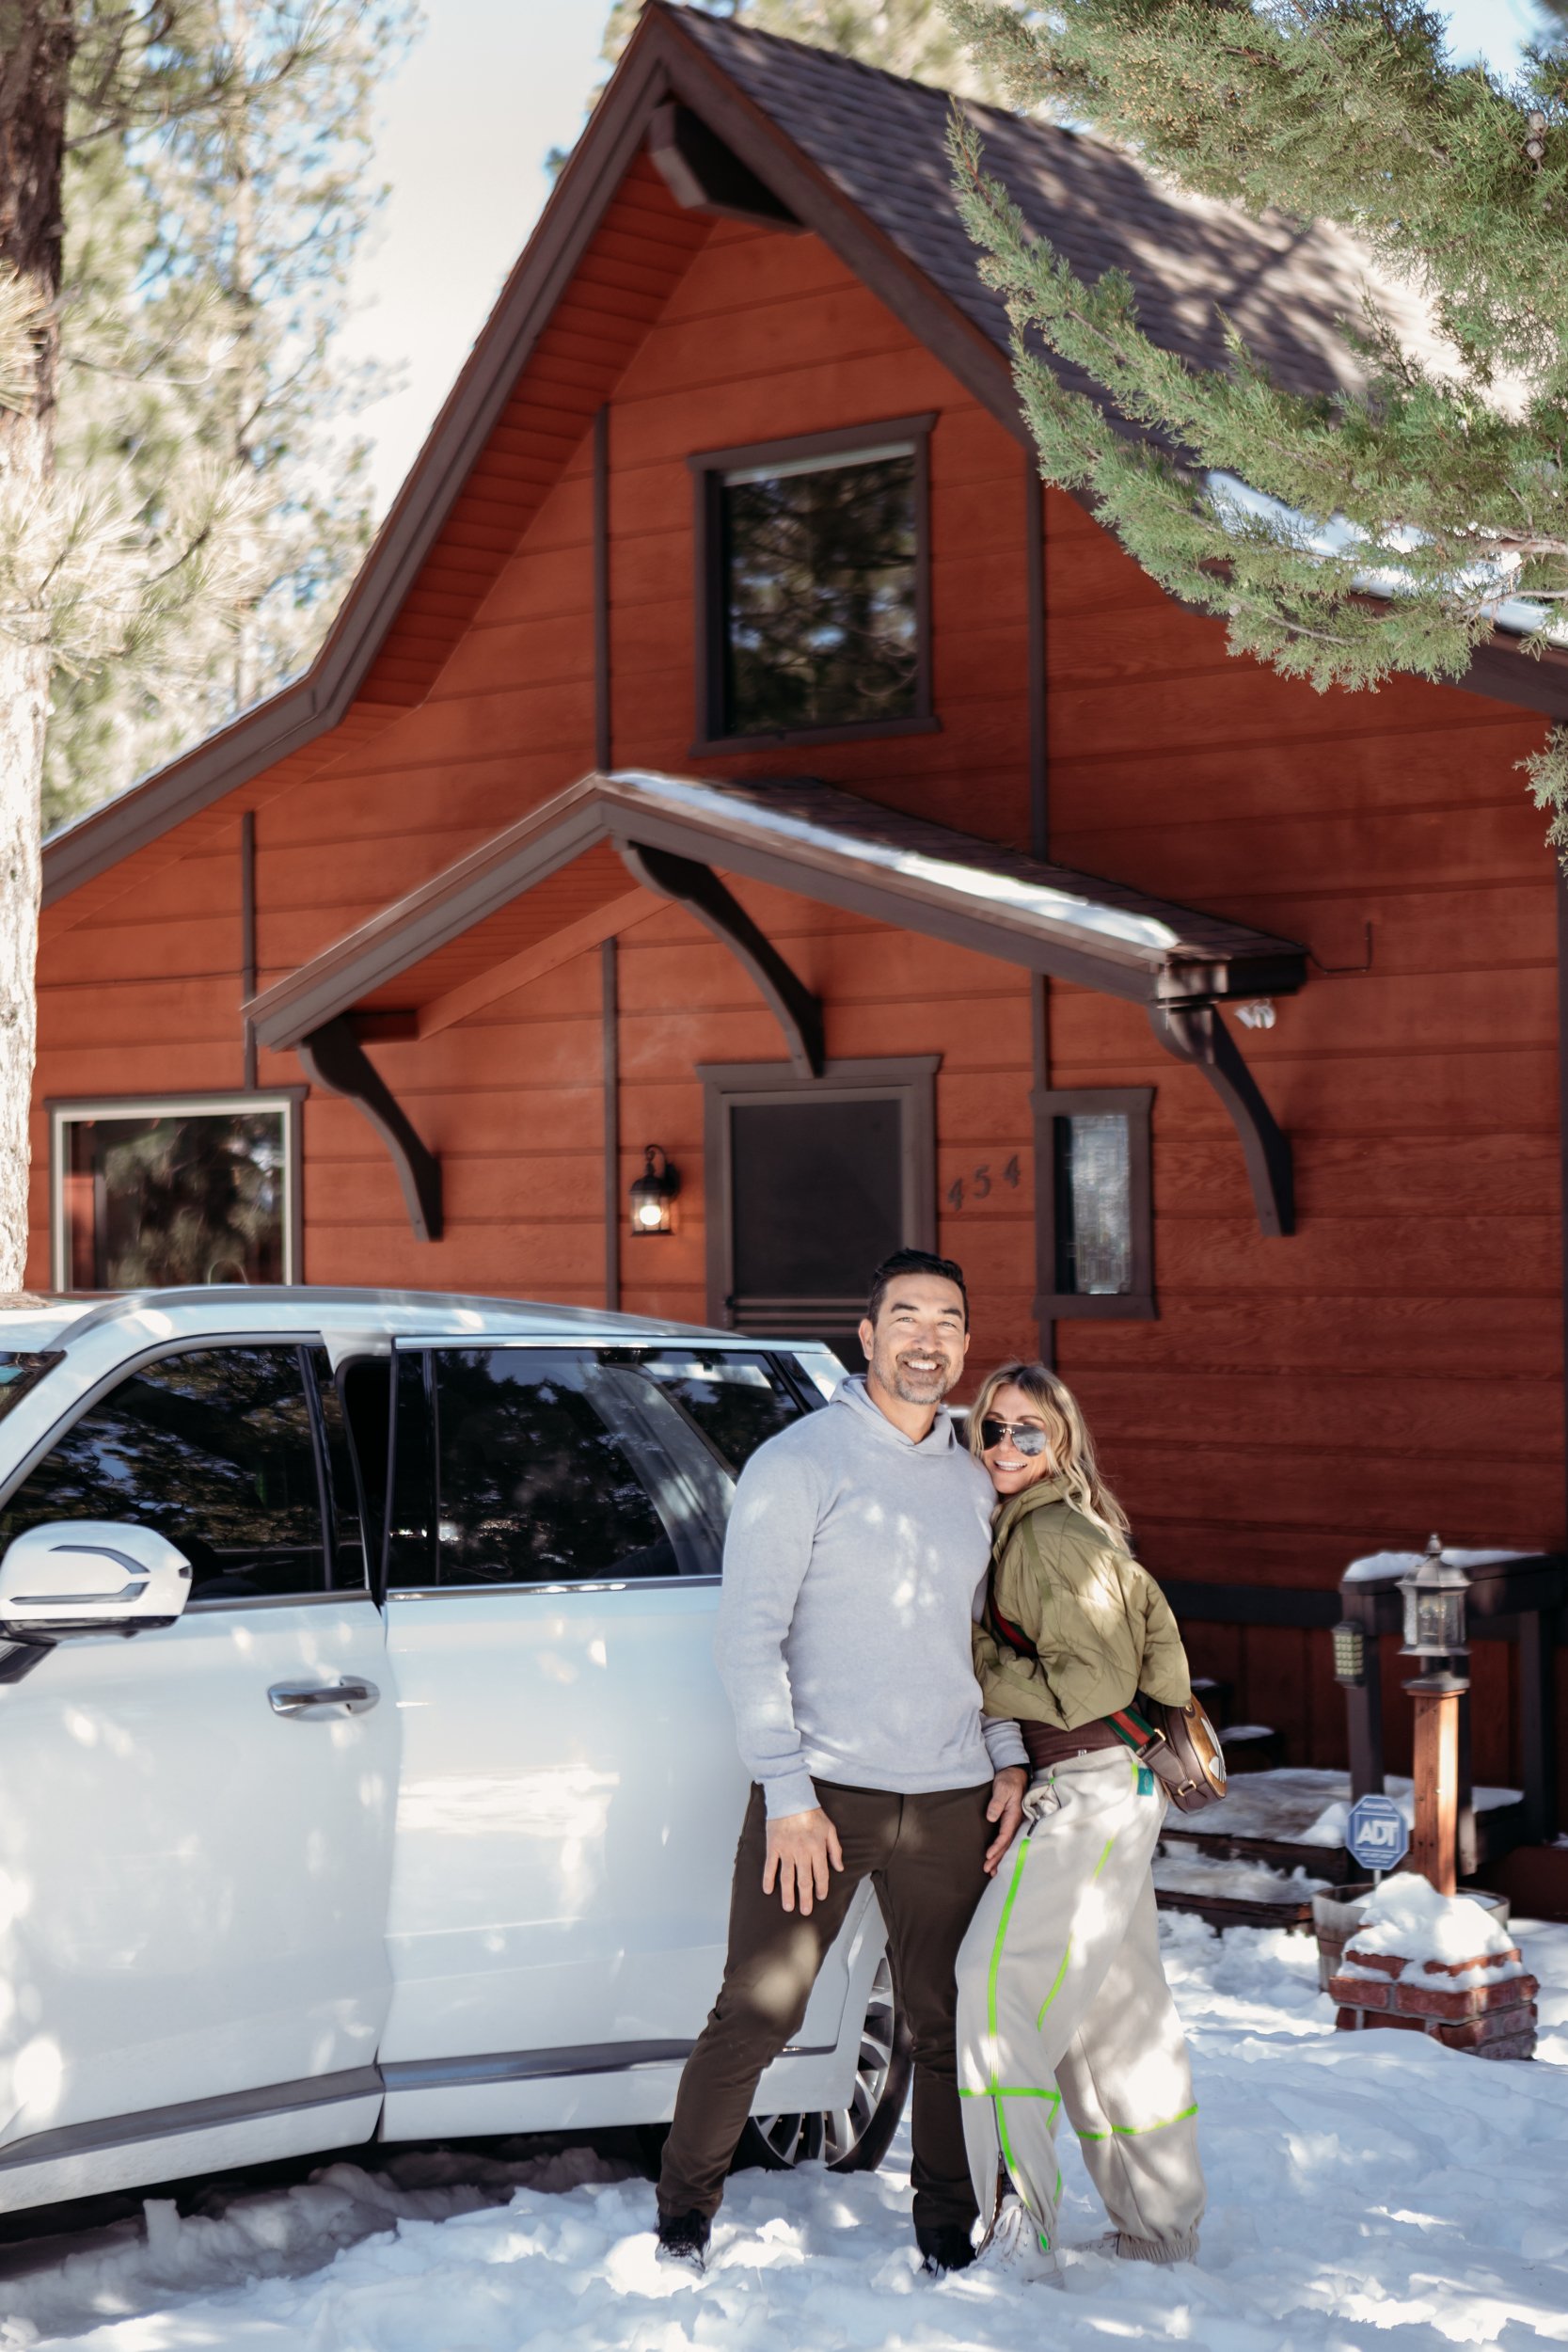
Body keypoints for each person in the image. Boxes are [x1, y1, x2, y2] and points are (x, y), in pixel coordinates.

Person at [656, 1250, 1030, 2276]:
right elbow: (748, 1638)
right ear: (865, 1338)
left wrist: (1002, 1756)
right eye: (904, 1316)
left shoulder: (971, 1475)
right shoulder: (799, 1460)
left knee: (945, 2024)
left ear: (963, 1343)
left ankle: (946, 2237)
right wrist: (785, 1791)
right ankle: (682, 2222)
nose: (925, 1337)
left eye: (947, 1320)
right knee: (757, 2012)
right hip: (822, 1797)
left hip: (952, 1796)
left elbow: (980, 1638)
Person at [956, 1360, 1205, 2282]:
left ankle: (1016, 2209)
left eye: (1029, 1429)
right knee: (1112, 2010)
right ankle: (1159, 2222)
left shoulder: (1048, 1536)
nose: (1007, 1444)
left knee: (989, 1983)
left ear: (1060, 1441)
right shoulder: (1042, 1522)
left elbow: (1092, 1683)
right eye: (992, 1427)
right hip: (1114, 1786)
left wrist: (971, 1674)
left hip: (1085, 1785)